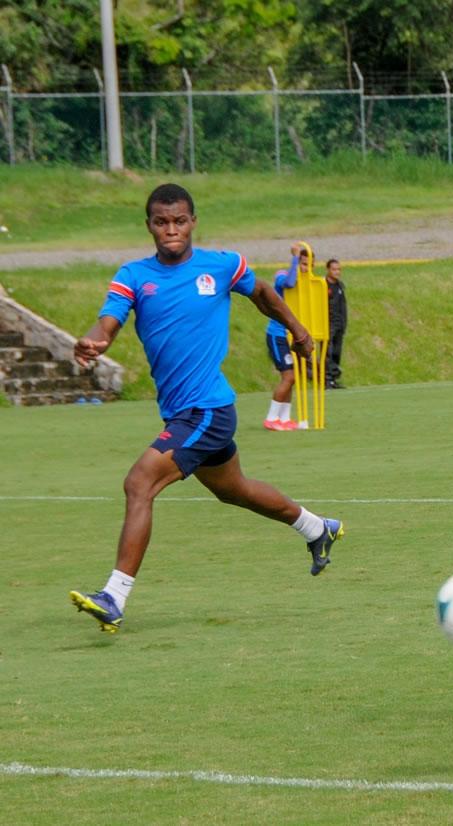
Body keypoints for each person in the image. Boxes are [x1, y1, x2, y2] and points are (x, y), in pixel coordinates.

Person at [69, 183, 345, 634]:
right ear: (149, 226)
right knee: (233, 490)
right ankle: (317, 528)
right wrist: (97, 341)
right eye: (161, 222)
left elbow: (264, 296)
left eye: (179, 221)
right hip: (183, 414)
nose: (171, 230)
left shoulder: (223, 265)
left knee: (139, 483)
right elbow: (109, 320)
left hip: (208, 411)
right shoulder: (134, 275)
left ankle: (114, 596)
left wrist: (298, 329)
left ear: (193, 222)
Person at [263, 243, 308, 430]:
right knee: (288, 377)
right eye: (302, 264)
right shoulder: (283, 275)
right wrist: (295, 259)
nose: (304, 268)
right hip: (277, 334)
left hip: (291, 335)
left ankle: (285, 418)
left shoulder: (305, 283)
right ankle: (272, 418)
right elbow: (288, 283)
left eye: (307, 265)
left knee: (293, 377)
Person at [324, 258, 347, 389]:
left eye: (339, 269)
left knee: (337, 353)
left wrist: (343, 323)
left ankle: (333, 379)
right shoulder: (323, 285)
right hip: (328, 324)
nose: (337, 272)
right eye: (334, 269)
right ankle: (326, 379)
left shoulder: (340, 286)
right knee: (328, 352)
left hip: (339, 324)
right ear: (328, 270)